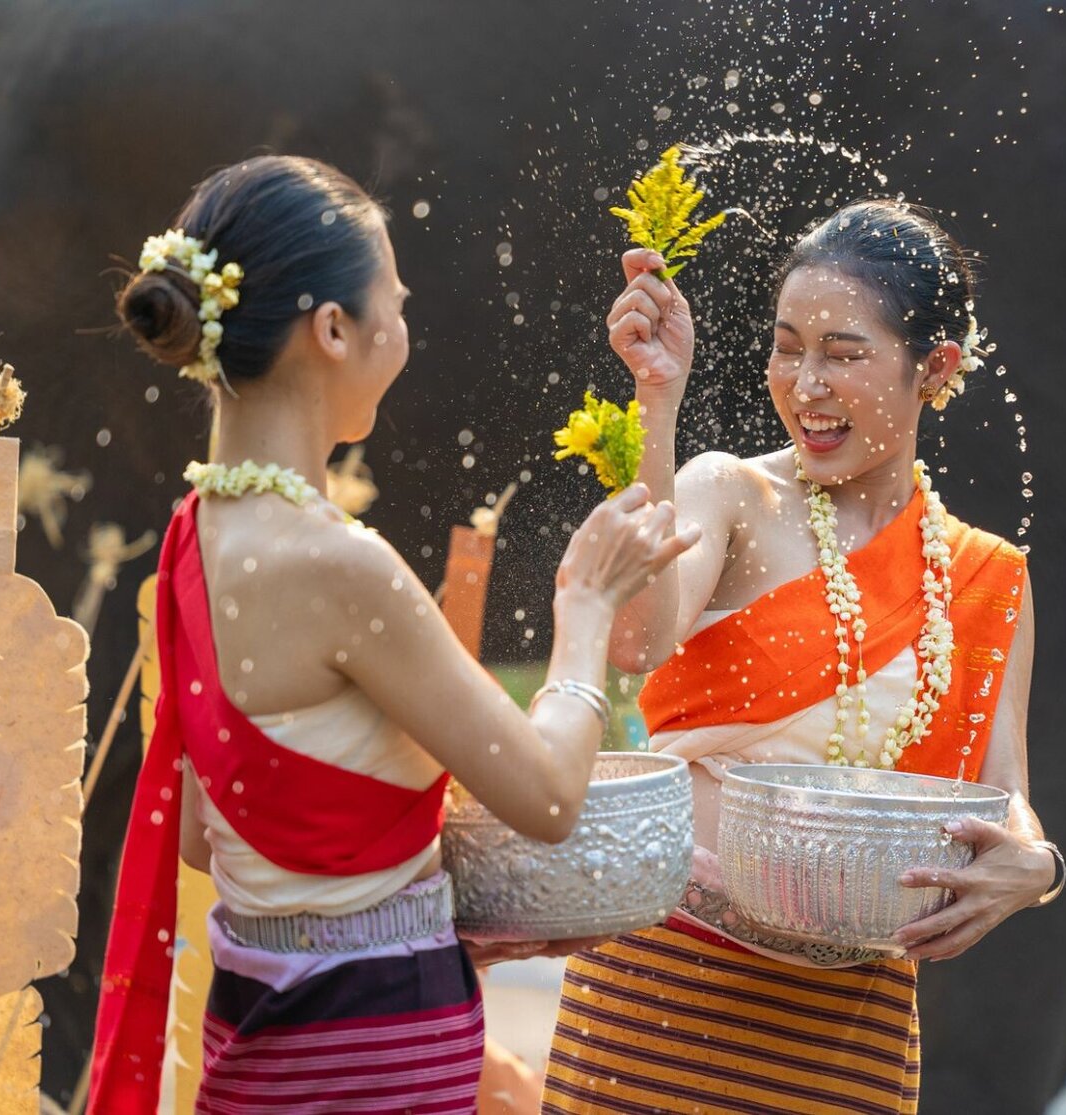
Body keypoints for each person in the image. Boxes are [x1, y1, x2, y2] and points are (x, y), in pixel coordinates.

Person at [87, 155, 695, 1114]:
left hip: (257, 1029)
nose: (404, 333)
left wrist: (408, 896)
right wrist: (582, 611)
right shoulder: (341, 566)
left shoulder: (192, 544)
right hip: (378, 1046)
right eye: (394, 305)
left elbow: (212, 837)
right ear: (333, 329)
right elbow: (544, 796)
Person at [540, 200, 1064, 1113]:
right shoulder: (730, 494)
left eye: (843, 353)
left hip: (847, 1023)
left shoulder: (987, 579)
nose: (805, 384)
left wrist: (1038, 867)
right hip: (660, 990)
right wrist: (658, 405)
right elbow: (633, 639)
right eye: (789, 347)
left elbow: (1003, 790)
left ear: (934, 369)